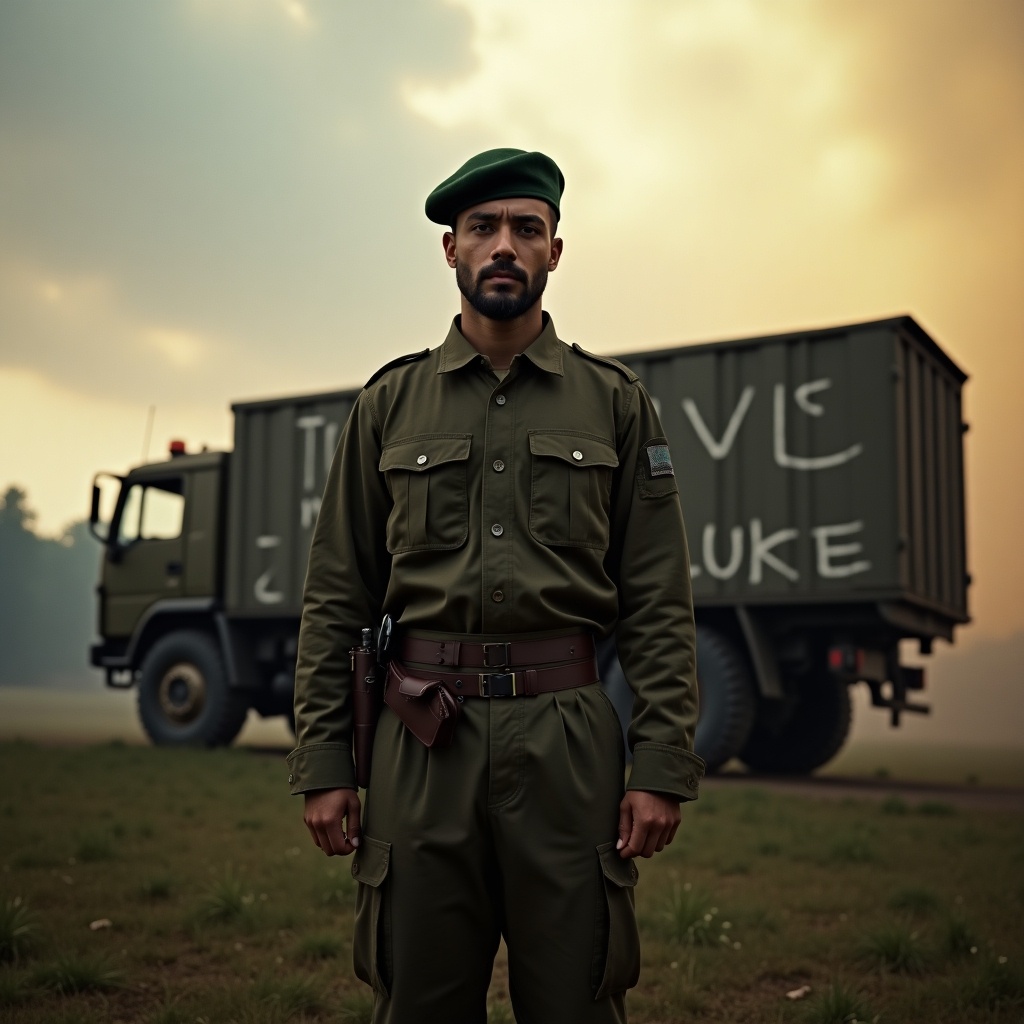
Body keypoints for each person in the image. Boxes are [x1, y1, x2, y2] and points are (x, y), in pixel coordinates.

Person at [287, 148, 704, 1024]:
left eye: (527, 228)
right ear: (450, 250)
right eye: (483, 228)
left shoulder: (617, 403)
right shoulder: (390, 406)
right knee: (419, 999)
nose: (504, 245)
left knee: (579, 997)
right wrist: (325, 760)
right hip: (420, 741)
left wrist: (660, 763)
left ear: (557, 250)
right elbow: (337, 596)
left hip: (568, 743)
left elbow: (660, 600)